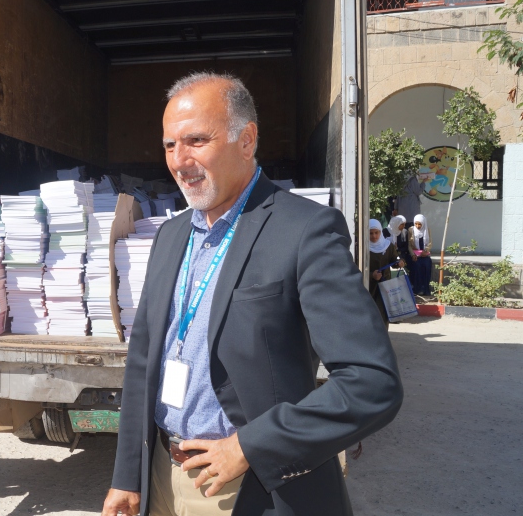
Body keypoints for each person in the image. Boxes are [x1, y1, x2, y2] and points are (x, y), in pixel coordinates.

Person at [101, 72, 403, 516]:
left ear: (247, 140)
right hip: (160, 481)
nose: (179, 160)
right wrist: (128, 476)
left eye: (196, 140)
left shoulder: (304, 231)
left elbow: (372, 382)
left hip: (251, 488)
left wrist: (249, 446)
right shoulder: (170, 235)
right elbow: (143, 359)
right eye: (169, 145)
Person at [368, 219, 404, 326]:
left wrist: (400, 262)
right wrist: (371, 275)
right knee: (369, 314)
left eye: (376, 232)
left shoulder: (388, 246)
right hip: (368, 287)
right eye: (370, 233)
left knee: (383, 315)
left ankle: (382, 341)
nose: (374, 236)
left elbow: (394, 260)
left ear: (380, 232)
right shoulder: (362, 247)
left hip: (385, 286)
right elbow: (356, 267)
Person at [409, 214, 433, 296]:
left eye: (419, 224)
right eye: (416, 224)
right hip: (415, 255)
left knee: (427, 265)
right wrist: (413, 255)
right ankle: (417, 289)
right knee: (417, 267)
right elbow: (409, 245)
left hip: (425, 254)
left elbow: (430, 243)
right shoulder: (411, 230)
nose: (417, 226)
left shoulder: (427, 230)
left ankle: (425, 289)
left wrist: (425, 251)